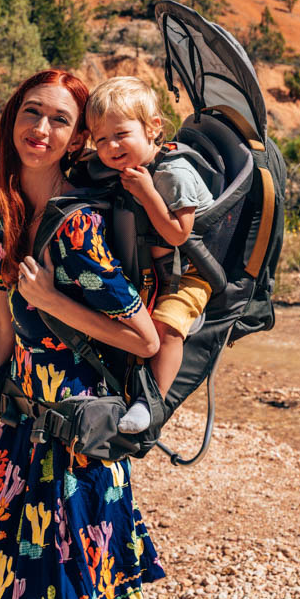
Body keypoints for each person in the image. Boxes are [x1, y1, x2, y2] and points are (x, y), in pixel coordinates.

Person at [0, 69, 165, 599]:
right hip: (12, 441)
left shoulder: (78, 226)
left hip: (74, 456)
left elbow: (145, 340)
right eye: (32, 112)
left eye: (60, 120)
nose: (41, 129)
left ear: (77, 139)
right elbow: (1, 326)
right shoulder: (12, 214)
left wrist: (53, 301)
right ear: (13, 119)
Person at [85, 77, 215, 434]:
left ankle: (151, 400)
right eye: (100, 139)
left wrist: (147, 194)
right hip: (155, 271)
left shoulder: (174, 173)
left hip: (191, 273)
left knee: (166, 328)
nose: (110, 146)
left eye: (121, 134)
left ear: (153, 128)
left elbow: (179, 233)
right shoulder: (125, 169)